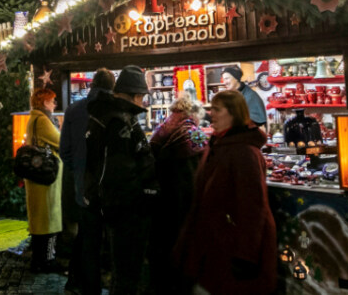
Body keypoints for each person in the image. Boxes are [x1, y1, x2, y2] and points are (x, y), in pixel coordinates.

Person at [175, 90, 277, 294]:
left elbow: (253, 208)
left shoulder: (243, 151)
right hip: (215, 247)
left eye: (217, 109)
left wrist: (245, 256)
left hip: (232, 250)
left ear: (233, 113)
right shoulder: (218, 145)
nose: (211, 113)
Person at [84, 65, 159, 294]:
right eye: (142, 98)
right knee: (127, 274)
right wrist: (145, 195)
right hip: (126, 211)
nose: (143, 103)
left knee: (122, 271)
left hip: (115, 208)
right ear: (136, 95)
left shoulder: (105, 114)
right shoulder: (119, 121)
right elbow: (120, 170)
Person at [59, 68, 116, 295]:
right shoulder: (117, 109)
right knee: (108, 239)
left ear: (92, 85)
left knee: (88, 236)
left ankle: (84, 284)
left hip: (84, 187)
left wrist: (79, 173)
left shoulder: (73, 110)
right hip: (111, 187)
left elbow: (65, 152)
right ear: (112, 86)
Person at [149, 96, 207, 295]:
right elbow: (205, 156)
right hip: (183, 193)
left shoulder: (162, 127)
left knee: (164, 244)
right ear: (194, 115)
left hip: (160, 194)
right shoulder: (192, 132)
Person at [24, 88, 63, 273]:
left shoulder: (35, 118)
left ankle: (38, 261)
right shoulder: (43, 120)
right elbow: (60, 141)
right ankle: (48, 261)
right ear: (45, 102)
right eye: (52, 101)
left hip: (37, 178)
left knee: (40, 222)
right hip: (46, 180)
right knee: (49, 222)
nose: (55, 104)